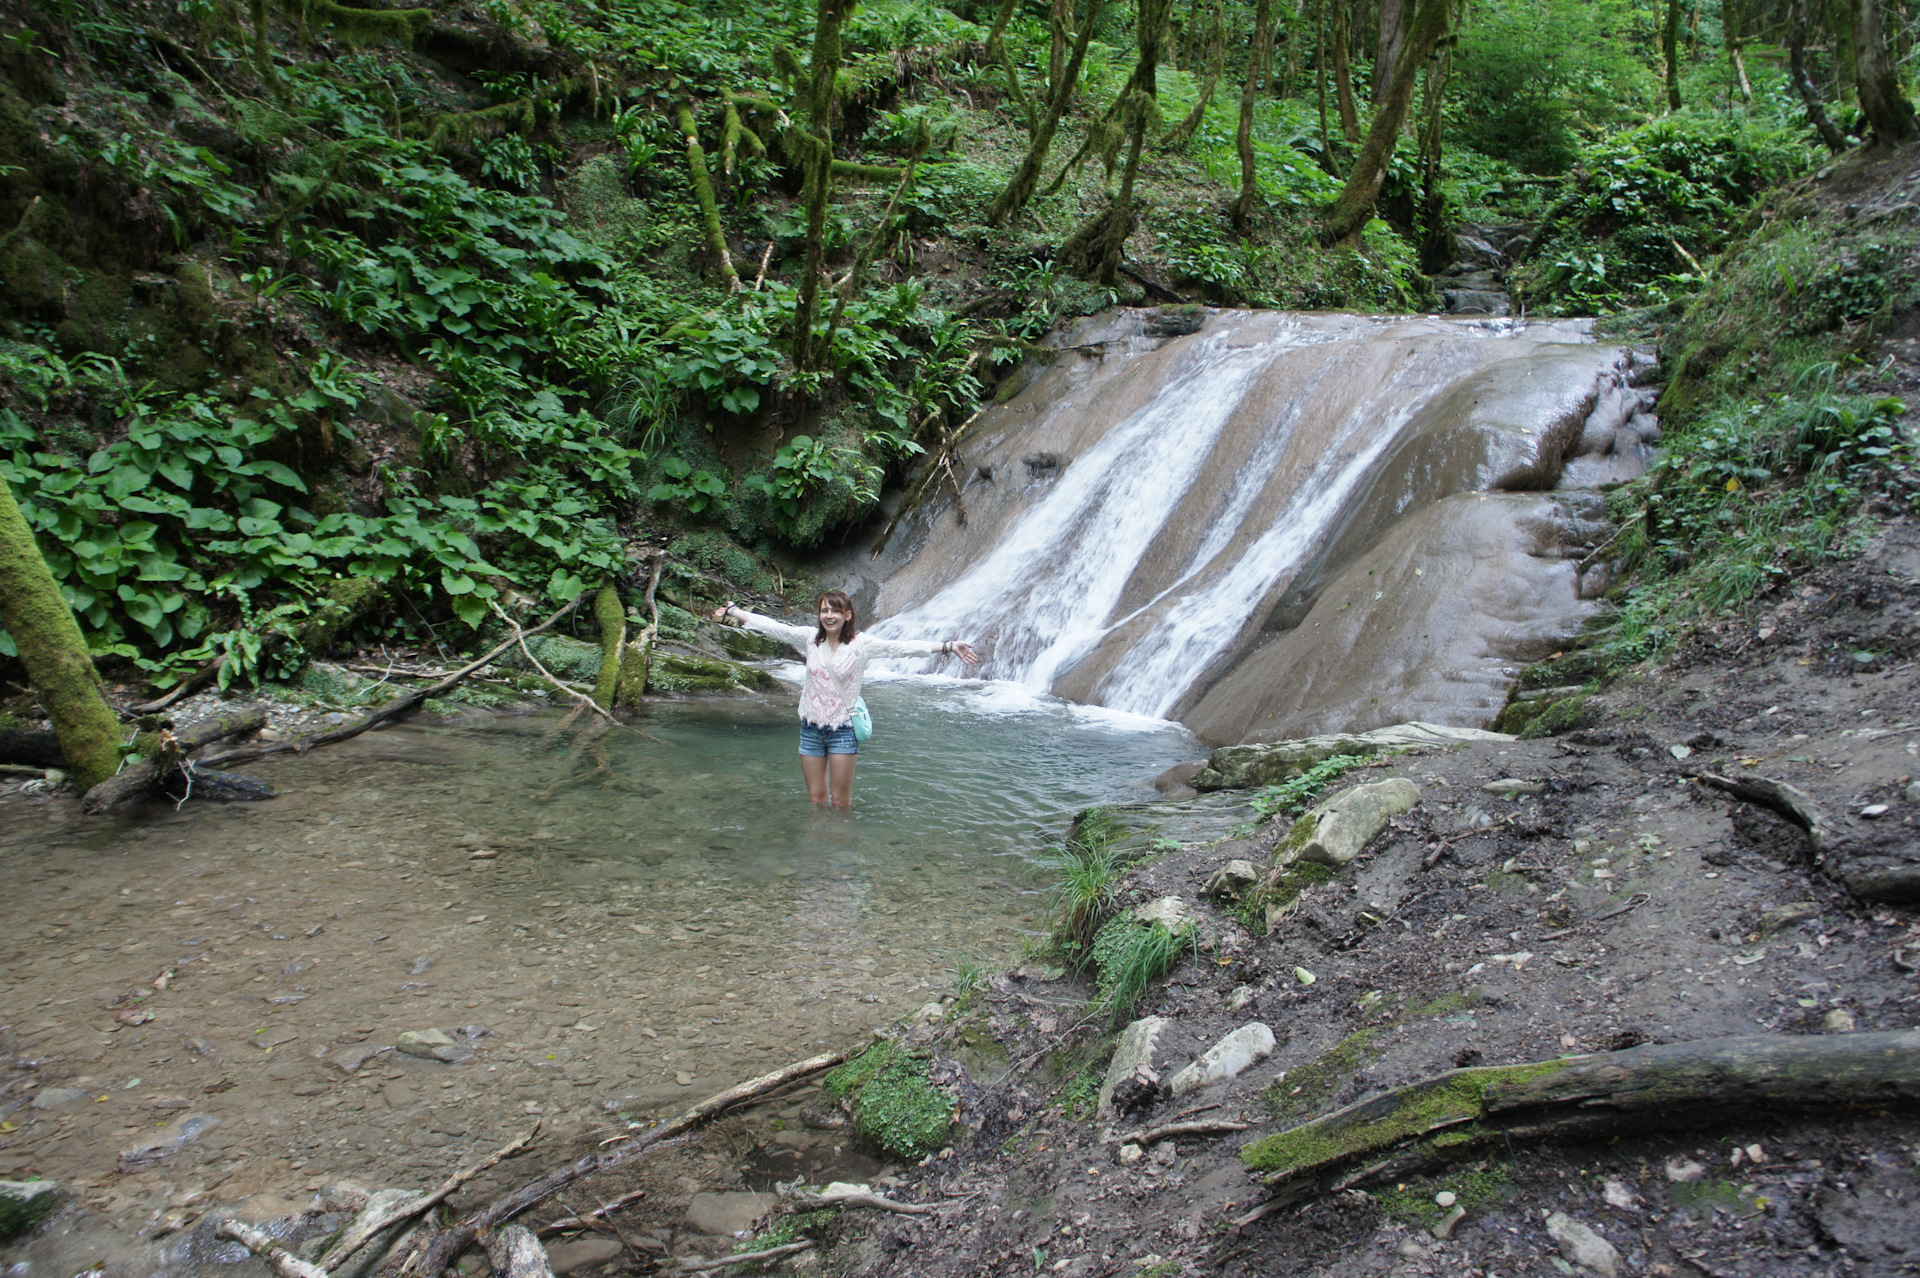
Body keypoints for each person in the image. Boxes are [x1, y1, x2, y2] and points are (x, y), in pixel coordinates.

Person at [713, 591, 979, 807]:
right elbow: (772, 626)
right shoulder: (810, 639)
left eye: (835, 610)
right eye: (824, 611)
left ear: (847, 614)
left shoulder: (861, 645)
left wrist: (947, 646)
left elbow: (903, 648)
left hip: (843, 731)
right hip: (811, 729)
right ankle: (818, 853)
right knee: (817, 800)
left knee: (840, 802)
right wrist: (733, 611)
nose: (829, 616)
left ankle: (840, 857)